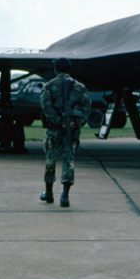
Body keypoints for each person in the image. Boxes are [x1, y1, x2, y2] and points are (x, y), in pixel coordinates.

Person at [39, 57, 91, 207]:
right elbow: (87, 107)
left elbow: (46, 107)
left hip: (54, 130)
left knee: (50, 159)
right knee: (68, 159)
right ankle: (65, 196)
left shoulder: (49, 86)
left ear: (56, 69)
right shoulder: (80, 87)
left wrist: (59, 121)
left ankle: (49, 194)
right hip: (72, 130)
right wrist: (75, 123)